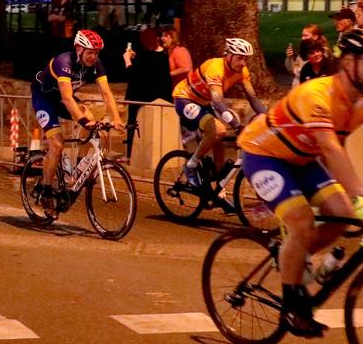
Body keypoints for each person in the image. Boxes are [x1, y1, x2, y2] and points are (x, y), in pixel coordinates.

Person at [238, 30, 363, 337]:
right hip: (265, 155)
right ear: (348, 62)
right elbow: (331, 149)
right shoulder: (316, 94)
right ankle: (292, 307)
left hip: (304, 160)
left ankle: (291, 255)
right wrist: (361, 199)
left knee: (341, 218)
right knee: (302, 222)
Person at [30, 30, 125, 216]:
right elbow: (66, 98)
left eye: (97, 53)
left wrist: (117, 118)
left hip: (63, 99)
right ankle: (46, 192)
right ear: (79, 49)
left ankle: (79, 169)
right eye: (90, 52)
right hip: (45, 99)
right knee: (57, 144)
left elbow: (106, 93)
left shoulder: (96, 64)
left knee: (93, 124)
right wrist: (83, 121)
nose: (94, 57)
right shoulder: (64, 62)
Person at [172, 38, 267, 188]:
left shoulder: (242, 71)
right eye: (240, 58)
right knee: (219, 130)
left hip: (203, 102)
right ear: (228, 56)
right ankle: (191, 165)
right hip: (185, 99)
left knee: (219, 142)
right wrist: (236, 126)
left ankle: (217, 188)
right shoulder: (216, 68)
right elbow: (218, 102)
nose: (243, 63)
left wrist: (268, 119)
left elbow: (253, 98)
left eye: (246, 59)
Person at [123, 27, 171, 159]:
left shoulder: (145, 57)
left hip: (139, 97)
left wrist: (127, 60)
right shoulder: (164, 56)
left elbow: (133, 75)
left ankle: (130, 154)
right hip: (160, 98)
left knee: (133, 125)